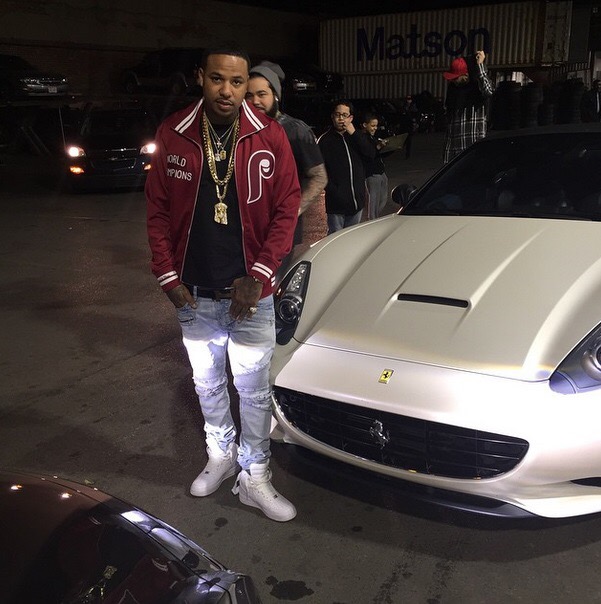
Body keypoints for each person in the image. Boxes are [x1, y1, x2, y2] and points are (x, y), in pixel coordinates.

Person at [145, 48, 301, 522]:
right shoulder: (173, 133)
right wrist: (167, 276)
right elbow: (157, 210)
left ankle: (255, 475)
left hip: (251, 297)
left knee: (253, 393)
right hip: (193, 295)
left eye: (237, 82)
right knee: (208, 384)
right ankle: (221, 455)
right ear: (201, 78)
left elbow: (286, 208)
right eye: (217, 79)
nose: (227, 91)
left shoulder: (268, 134)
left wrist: (261, 274)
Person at [245, 60, 327, 248]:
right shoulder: (243, 130)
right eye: (249, 96)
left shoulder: (295, 130)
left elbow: (319, 176)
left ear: (275, 96)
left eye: (262, 94)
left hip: (280, 233)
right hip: (248, 231)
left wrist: (292, 212)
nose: (255, 101)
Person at [318, 99, 373, 234]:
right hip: (336, 204)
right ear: (332, 117)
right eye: (338, 115)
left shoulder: (357, 137)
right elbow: (319, 172)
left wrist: (354, 133)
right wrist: (334, 190)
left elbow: (370, 154)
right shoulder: (325, 141)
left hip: (357, 202)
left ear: (351, 118)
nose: (341, 119)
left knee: (352, 237)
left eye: (345, 115)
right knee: (335, 238)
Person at [442, 51, 494, 163]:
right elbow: (450, 130)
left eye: (456, 78)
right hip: (456, 152)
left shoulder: (477, 91)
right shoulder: (453, 92)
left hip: (474, 150)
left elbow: (489, 91)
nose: (453, 81)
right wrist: (447, 160)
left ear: (466, 75)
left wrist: (480, 66)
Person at [360, 112, 388, 219]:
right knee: (373, 203)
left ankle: (374, 219)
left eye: (376, 125)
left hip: (381, 172)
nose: (375, 128)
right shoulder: (362, 139)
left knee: (382, 200)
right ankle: (372, 221)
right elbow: (369, 154)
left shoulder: (372, 138)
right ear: (364, 125)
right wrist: (378, 147)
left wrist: (391, 147)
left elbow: (379, 154)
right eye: (372, 125)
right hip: (372, 174)